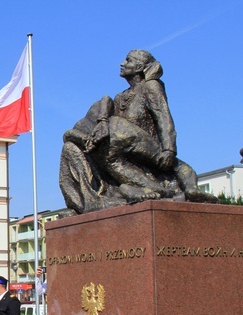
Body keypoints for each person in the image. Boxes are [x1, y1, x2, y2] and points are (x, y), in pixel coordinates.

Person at [59, 49, 217, 214]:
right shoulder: (120, 97)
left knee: (113, 138)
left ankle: (158, 190)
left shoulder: (151, 86)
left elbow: (163, 117)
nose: (122, 64)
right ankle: (92, 201)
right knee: (70, 148)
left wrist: (169, 149)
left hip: (146, 151)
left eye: (128, 61)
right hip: (123, 151)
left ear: (140, 67)